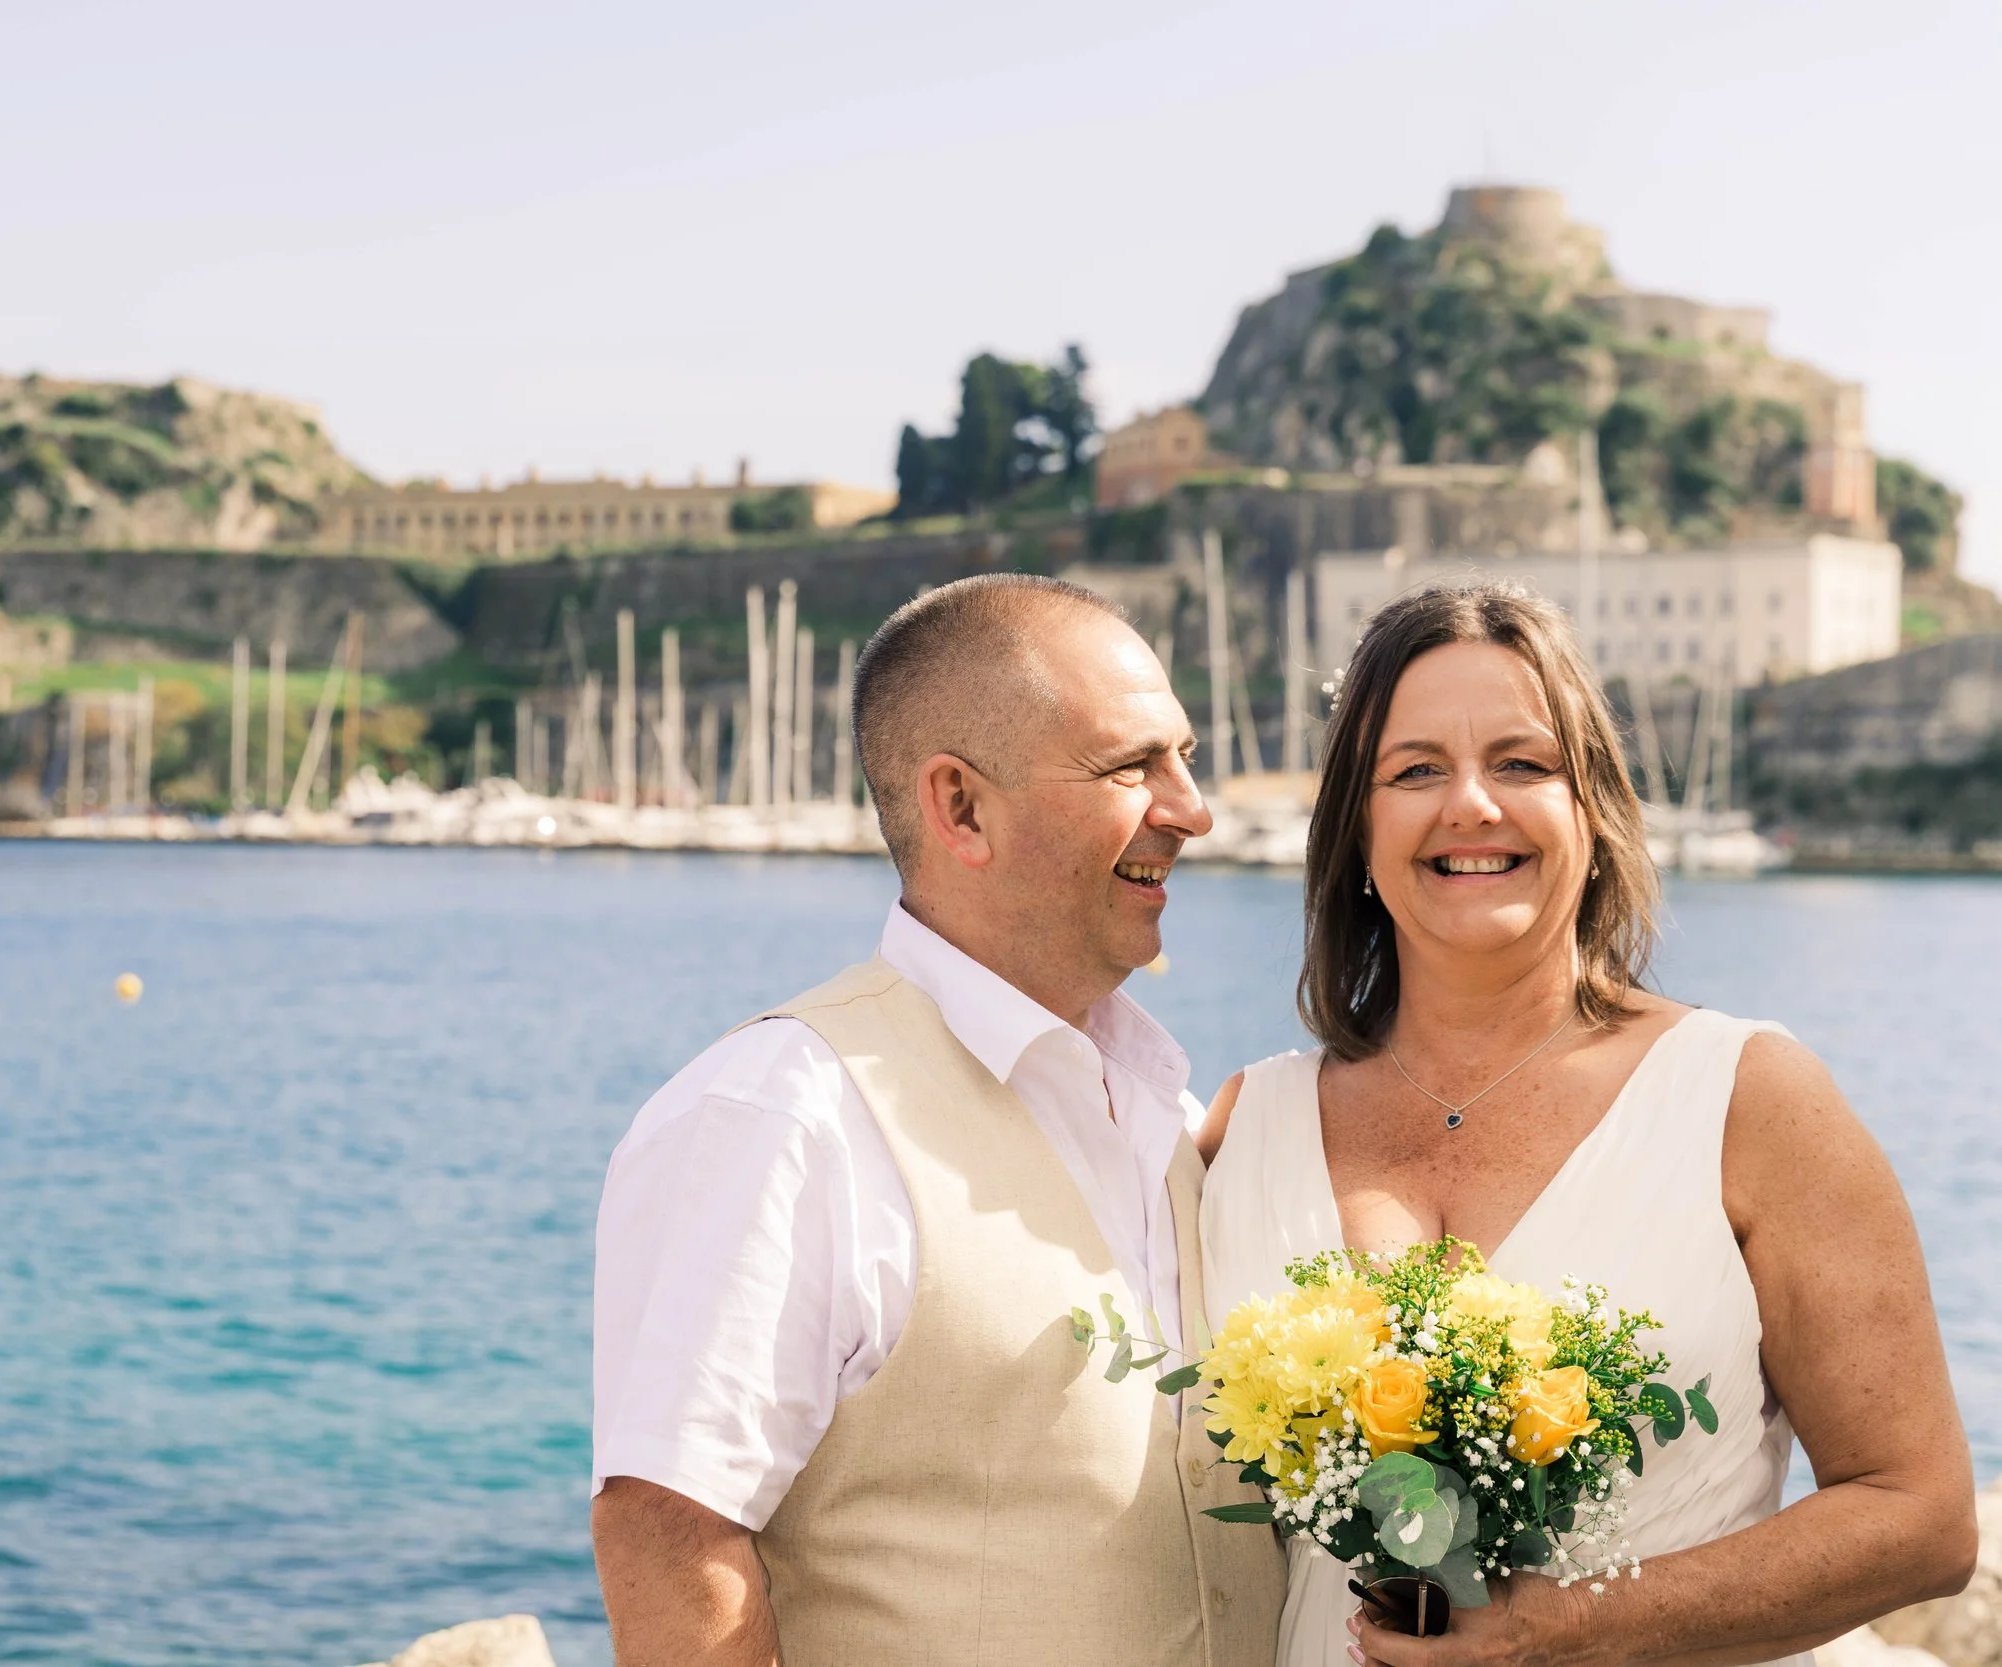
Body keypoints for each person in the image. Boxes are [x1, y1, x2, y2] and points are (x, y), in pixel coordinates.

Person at [1197, 582, 1977, 1667]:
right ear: (1354, 832)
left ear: (1594, 812)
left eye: (1521, 763)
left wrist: (1561, 1627)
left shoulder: (1749, 1097)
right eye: (1415, 769)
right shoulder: (1239, 1125)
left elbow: (1922, 1517)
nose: (1471, 803)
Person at [591, 574, 1287, 1666]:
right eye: (1131, 766)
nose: (1191, 808)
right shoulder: (783, 1113)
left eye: (1184, 756)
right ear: (960, 805)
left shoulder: (1168, 1112)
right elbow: (669, 1530)